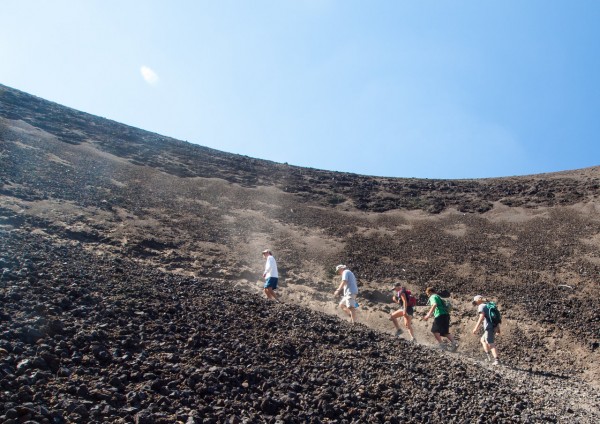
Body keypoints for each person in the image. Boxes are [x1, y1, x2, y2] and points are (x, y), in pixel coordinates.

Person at [423, 287, 457, 351]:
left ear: (430, 292)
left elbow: (434, 304)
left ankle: (442, 345)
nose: (427, 295)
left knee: (434, 330)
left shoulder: (433, 296)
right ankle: (454, 343)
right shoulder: (438, 296)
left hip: (440, 315)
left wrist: (428, 315)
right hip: (446, 315)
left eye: (427, 293)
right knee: (445, 332)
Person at [472, 295, 501, 365]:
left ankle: (496, 360)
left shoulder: (481, 306)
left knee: (490, 343)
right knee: (483, 340)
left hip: (489, 327)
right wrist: (498, 328)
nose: (476, 304)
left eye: (475, 302)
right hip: (493, 326)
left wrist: (476, 328)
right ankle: (489, 358)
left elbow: (481, 317)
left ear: (479, 300)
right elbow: (495, 317)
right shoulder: (488, 305)